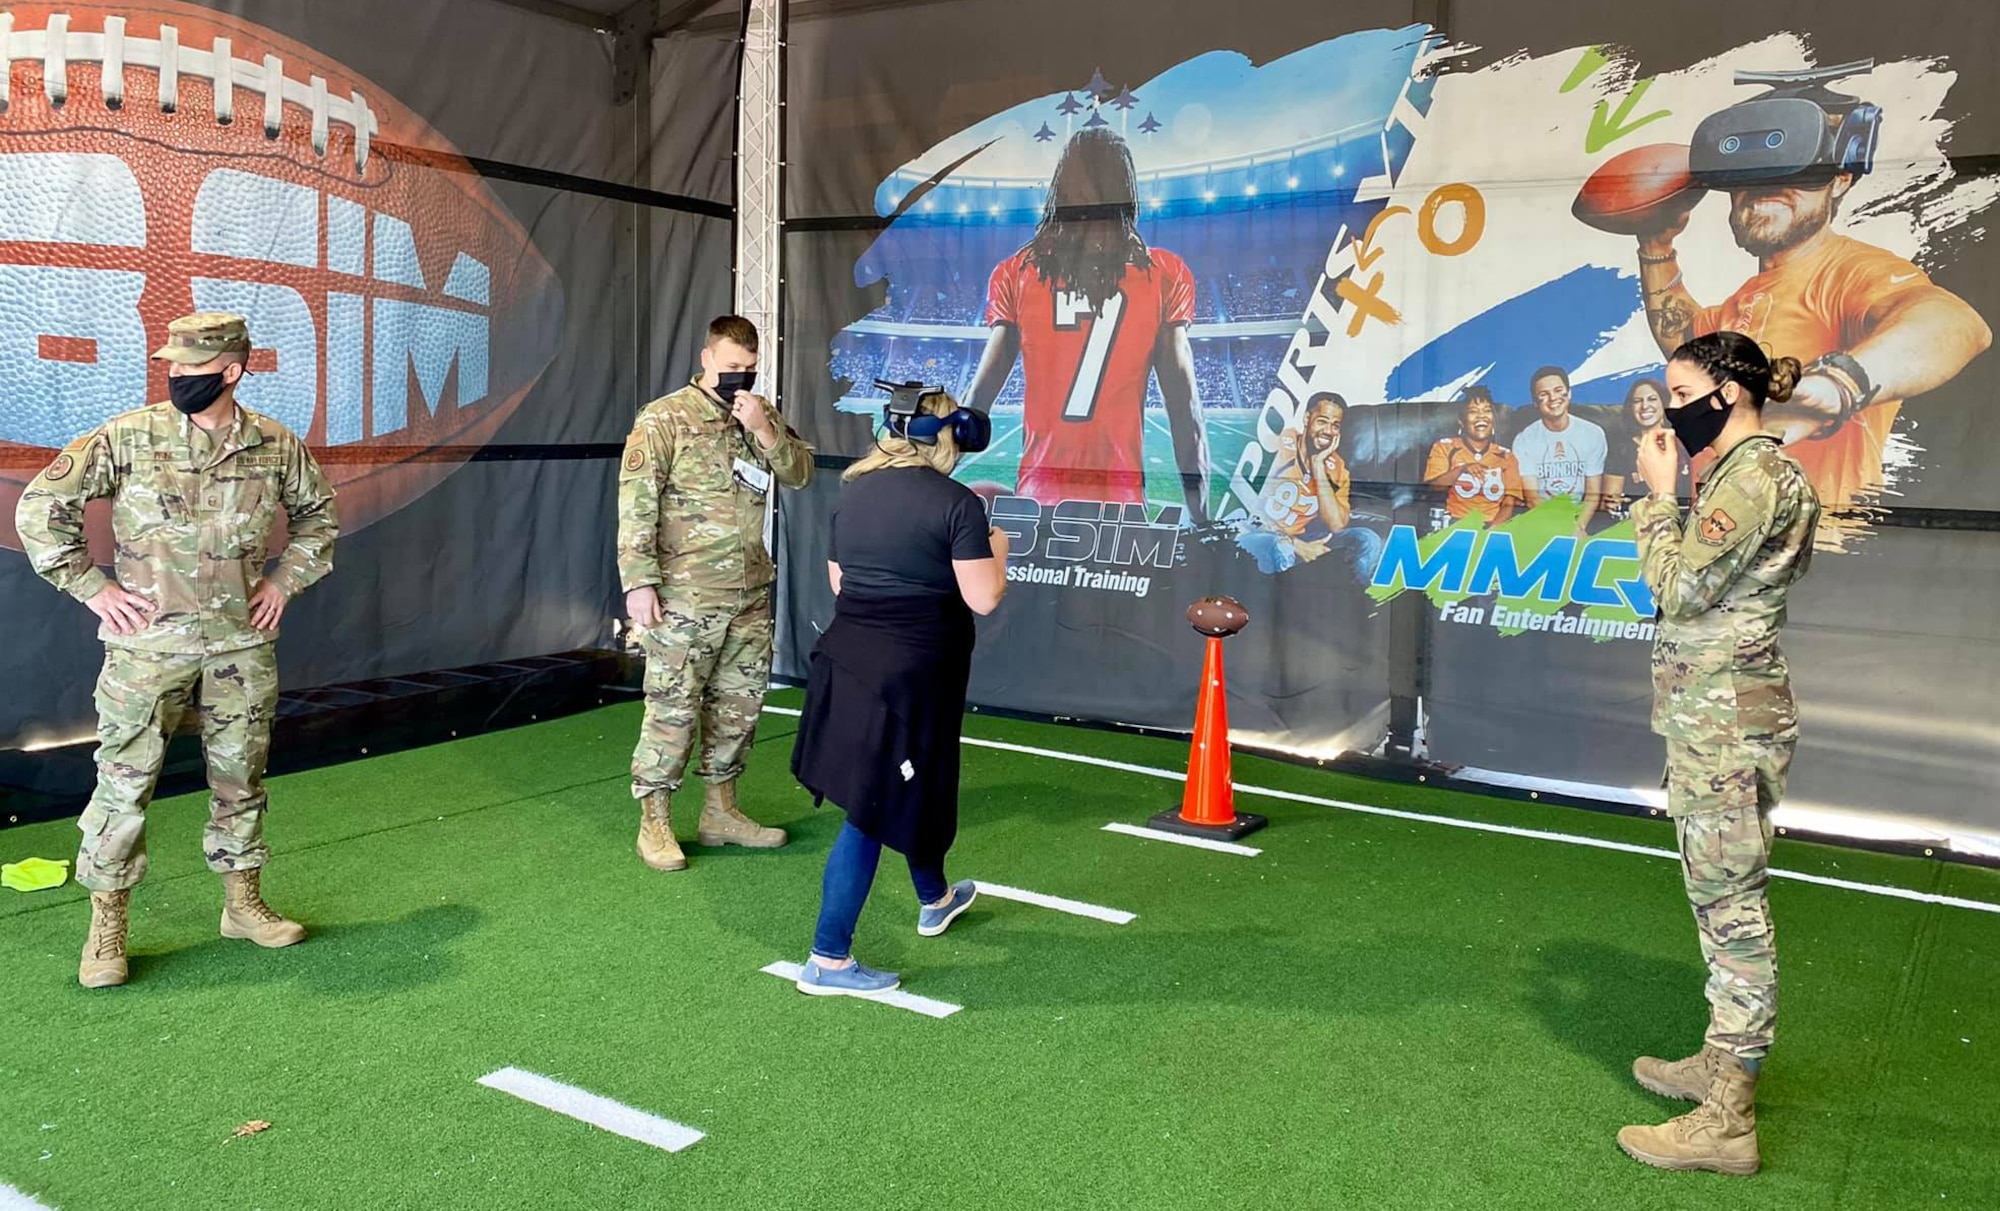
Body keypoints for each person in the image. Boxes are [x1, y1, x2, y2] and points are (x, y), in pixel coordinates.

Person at [14, 313, 338, 988]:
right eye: (172, 367)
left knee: (240, 778)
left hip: (239, 647)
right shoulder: (130, 436)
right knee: (124, 785)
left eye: (192, 369)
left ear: (232, 371)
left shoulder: (275, 446)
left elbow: (318, 518)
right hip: (147, 651)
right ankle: (106, 928)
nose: (177, 377)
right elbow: (42, 506)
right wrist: (91, 587)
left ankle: (243, 905)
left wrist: (285, 579)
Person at [1618, 331, 1820, 1176]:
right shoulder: (1750, 474)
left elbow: (1680, 587)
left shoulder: (1754, 479)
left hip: (1727, 726)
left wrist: (1659, 496)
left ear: (1729, 394)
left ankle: (1728, 1119)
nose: (1670, 407)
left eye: (1682, 389)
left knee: (1732, 911)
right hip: (1720, 718)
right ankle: (1719, 1060)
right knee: (1719, 900)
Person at [1634, 116, 1989, 523]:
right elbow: (1682, 340)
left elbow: (1952, 322)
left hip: (1814, 554)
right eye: (1749, 176)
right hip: (1724, 541)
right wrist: (1656, 244)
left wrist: (1837, 384)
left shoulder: (1853, 272)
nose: (1766, 187)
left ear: (1840, 180)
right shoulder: (1744, 298)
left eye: (1796, 170)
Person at [788, 390, 1008, 997]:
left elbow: (840, 583)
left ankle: (934, 897)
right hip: (907, 679)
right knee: (871, 809)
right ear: (950, 434)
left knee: (924, 782)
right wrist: (999, 551)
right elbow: (983, 598)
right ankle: (827, 960)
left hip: (850, 664)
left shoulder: (855, 494)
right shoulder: (958, 504)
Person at [617, 315, 814, 872]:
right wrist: (639, 582)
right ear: (706, 359)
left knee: (738, 708)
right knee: (673, 708)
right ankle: (654, 822)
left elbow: (800, 474)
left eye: (748, 370)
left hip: (749, 591)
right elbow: (637, 504)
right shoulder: (664, 419)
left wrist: (765, 429)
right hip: (685, 597)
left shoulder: (757, 413)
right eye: (730, 369)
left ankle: (720, 812)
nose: (739, 379)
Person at [965, 127, 1209, 521]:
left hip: (1035, 507)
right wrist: (1201, 517)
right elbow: (1185, 411)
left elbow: (976, 404)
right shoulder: (1164, 273)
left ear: (1059, 193)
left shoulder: (1017, 272)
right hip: (1120, 516)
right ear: (1125, 196)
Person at [1238, 392, 1382, 582]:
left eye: (1335, 425)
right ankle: (1285, 609)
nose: (1328, 431)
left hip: (1303, 537)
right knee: (1282, 547)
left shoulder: (1338, 469)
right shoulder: (1280, 444)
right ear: (1307, 418)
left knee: (1368, 539)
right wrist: (1296, 544)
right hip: (1257, 535)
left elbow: (1336, 525)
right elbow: (1250, 513)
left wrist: (1318, 465)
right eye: (1322, 421)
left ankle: (1356, 604)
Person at [1511, 366, 1606, 532]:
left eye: (1558, 390)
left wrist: (1579, 526)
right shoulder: (1524, 440)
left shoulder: (1593, 433)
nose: (1552, 398)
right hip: (1541, 517)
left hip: (1581, 517)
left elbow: (1592, 493)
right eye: (1544, 394)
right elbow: (1532, 497)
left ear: (1569, 393)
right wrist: (1557, 527)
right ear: (1535, 402)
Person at [1422, 387, 1527, 527]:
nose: (1481, 416)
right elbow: (1431, 489)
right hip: (1452, 524)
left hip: (1492, 526)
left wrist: (1490, 534)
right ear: (1461, 420)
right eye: (1473, 411)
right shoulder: (1444, 447)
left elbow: (1508, 504)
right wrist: (1461, 470)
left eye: (1487, 411)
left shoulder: (1507, 456)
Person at [1604, 378, 1685, 514]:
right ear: (1631, 408)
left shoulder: (1683, 442)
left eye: (1652, 399)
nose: (1645, 406)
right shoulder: (1621, 450)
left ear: (1664, 403)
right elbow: (1610, 504)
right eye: (1637, 401)